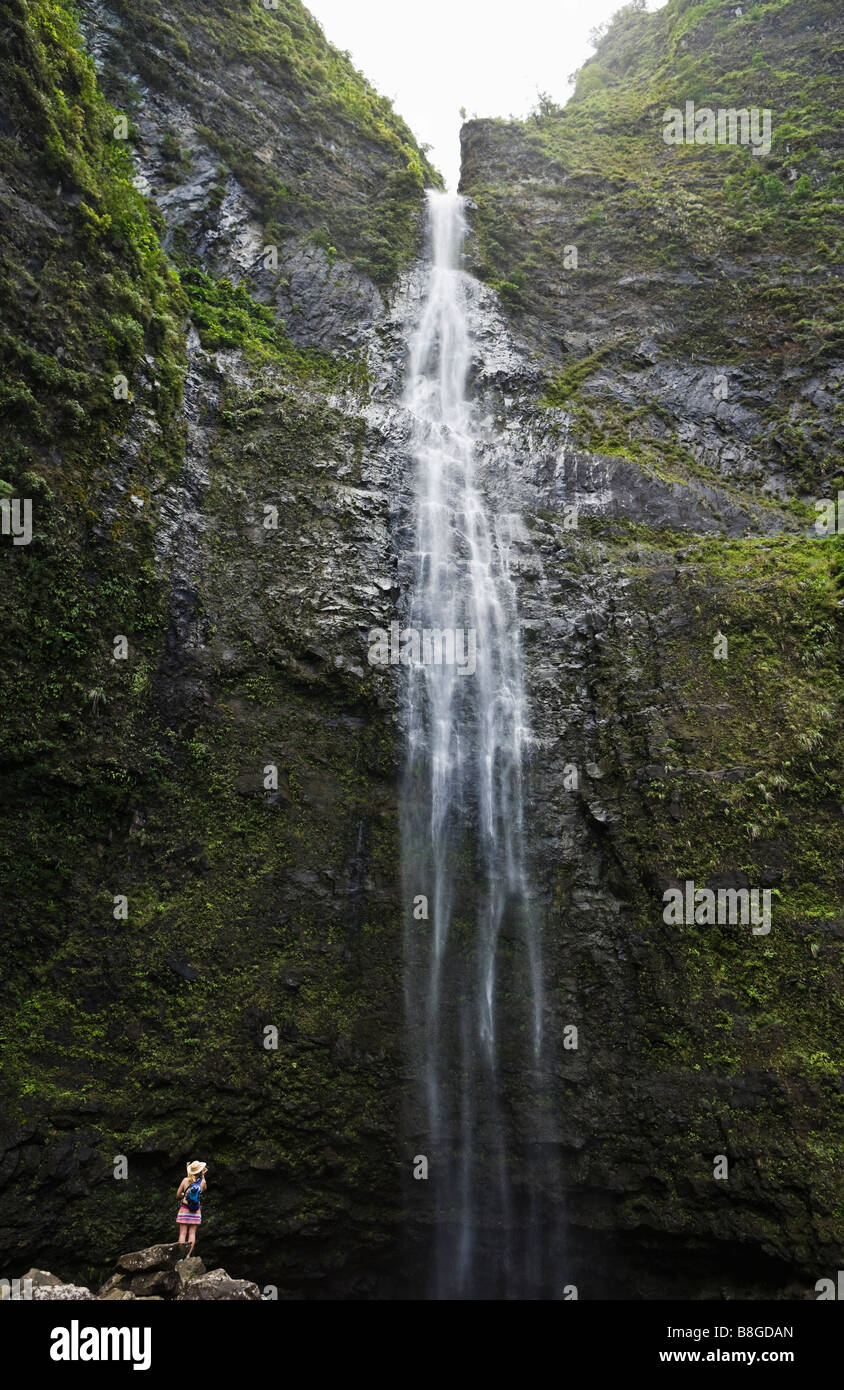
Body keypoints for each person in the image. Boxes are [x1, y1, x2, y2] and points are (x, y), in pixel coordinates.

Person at [176, 1160, 207, 1253]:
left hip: (185, 1209)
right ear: (201, 1171)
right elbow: (204, 1190)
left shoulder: (185, 1180)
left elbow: (178, 1195)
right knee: (192, 1233)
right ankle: (188, 1255)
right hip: (195, 1210)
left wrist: (185, 1195)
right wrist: (203, 1176)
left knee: (182, 1234)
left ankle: (181, 1256)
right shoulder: (202, 1183)